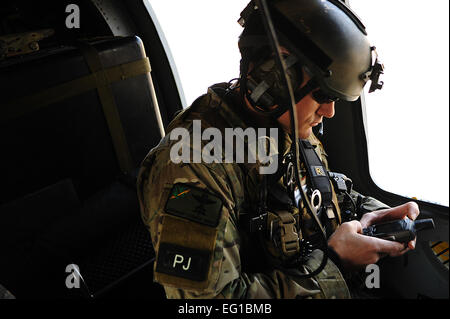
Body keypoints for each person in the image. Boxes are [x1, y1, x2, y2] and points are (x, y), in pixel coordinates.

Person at [137, 0, 420, 299]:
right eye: (322, 94)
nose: (330, 111)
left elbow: (314, 192)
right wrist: (335, 263)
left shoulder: (286, 126)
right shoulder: (190, 167)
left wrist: (371, 215)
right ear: (273, 78)